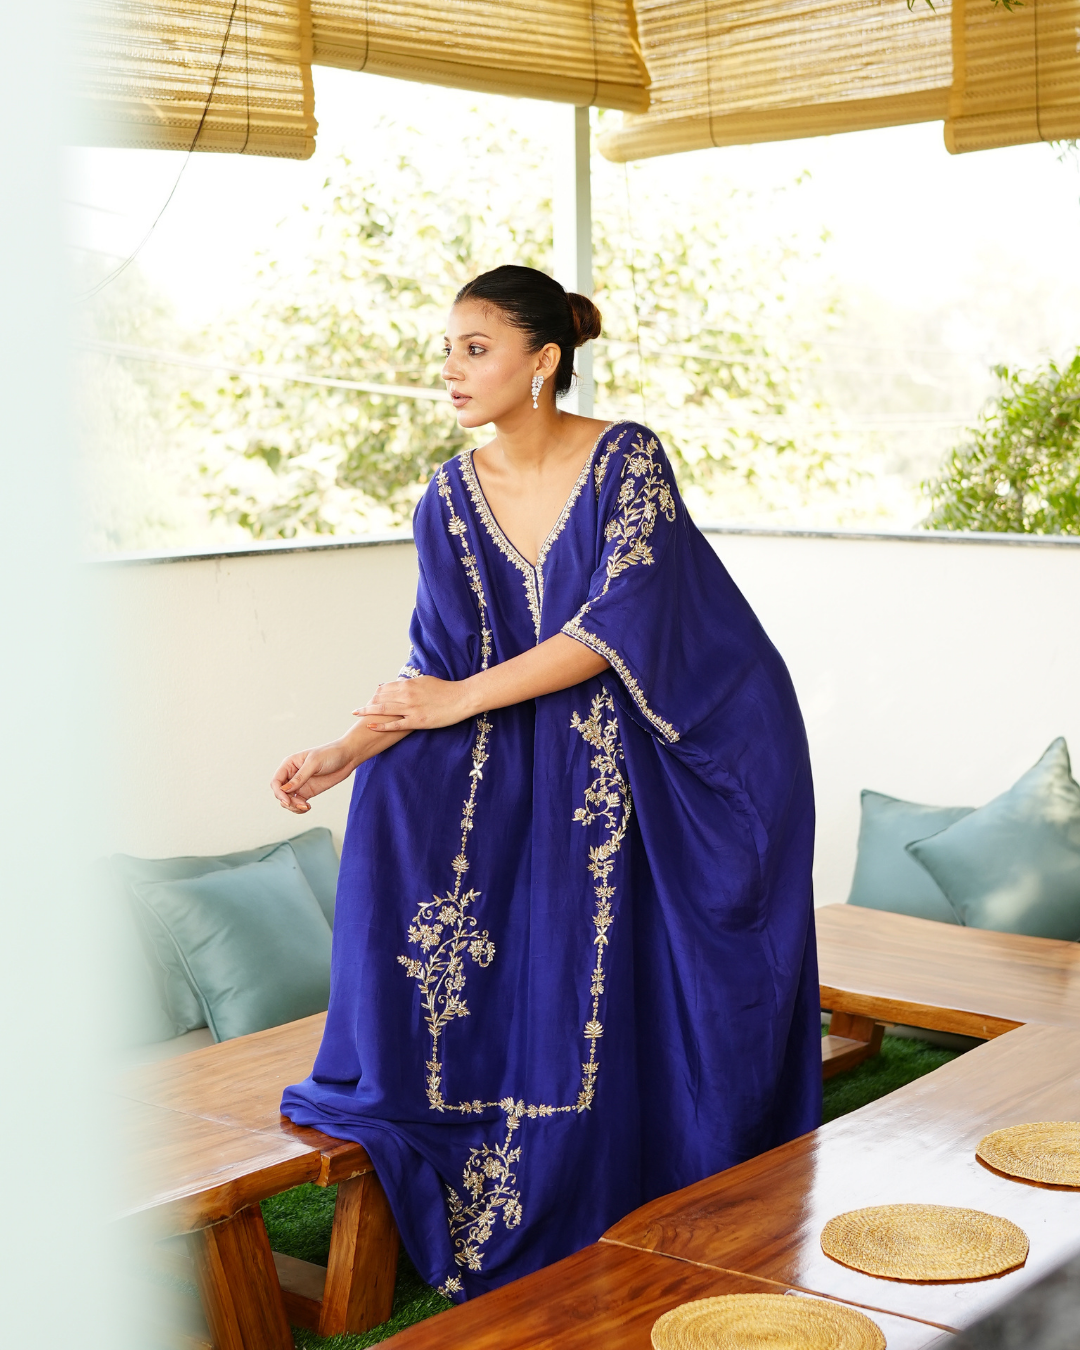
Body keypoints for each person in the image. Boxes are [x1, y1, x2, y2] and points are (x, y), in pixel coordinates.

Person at [272, 264, 820, 1302]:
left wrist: (459, 701)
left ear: (543, 360)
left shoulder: (627, 460)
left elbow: (620, 627)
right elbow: (434, 660)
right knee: (393, 795)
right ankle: (468, 1116)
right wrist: (346, 750)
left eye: (475, 348)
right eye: (446, 350)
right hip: (508, 743)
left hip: (653, 745)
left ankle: (664, 1175)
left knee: (627, 930)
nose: (451, 369)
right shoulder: (448, 496)